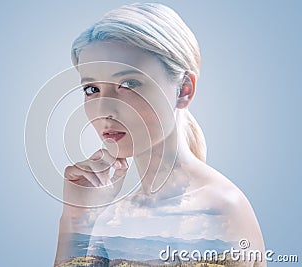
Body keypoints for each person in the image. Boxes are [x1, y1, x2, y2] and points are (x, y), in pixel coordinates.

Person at [54, 3, 266, 266]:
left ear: (184, 89)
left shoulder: (220, 209)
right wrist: (76, 217)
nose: (103, 109)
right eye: (91, 89)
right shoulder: (109, 216)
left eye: (128, 84)